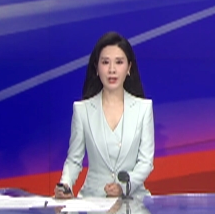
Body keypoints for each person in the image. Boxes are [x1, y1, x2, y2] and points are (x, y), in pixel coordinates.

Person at [55, 32, 155, 199]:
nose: (112, 70)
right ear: (97, 67)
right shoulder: (82, 110)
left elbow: (146, 162)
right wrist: (65, 185)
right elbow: (74, 160)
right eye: (105, 62)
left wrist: (123, 187)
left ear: (129, 68)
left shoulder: (143, 109)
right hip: (93, 200)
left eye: (119, 62)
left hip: (132, 201)